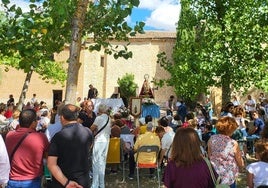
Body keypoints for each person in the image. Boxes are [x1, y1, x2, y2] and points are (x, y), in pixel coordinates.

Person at [47, 104, 93, 188]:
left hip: (62, 182)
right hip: (83, 180)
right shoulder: (88, 132)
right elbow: (88, 149)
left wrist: (66, 183)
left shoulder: (58, 136)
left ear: (62, 117)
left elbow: (51, 164)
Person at [5, 109, 49, 188]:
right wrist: (48, 177)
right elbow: (47, 158)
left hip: (12, 180)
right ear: (33, 123)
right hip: (33, 181)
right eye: (36, 120)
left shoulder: (9, 136)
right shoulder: (41, 137)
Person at [208, 116, 244, 187]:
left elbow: (210, 156)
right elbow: (239, 161)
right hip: (229, 177)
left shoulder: (211, 139)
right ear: (231, 129)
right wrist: (242, 166)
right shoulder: (233, 143)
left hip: (215, 175)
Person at [90, 104, 111, 188]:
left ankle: (95, 184)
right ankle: (101, 184)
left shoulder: (99, 118)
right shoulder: (109, 118)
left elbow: (91, 128)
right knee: (102, 162)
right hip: (106, 140)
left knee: (95, 162)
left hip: (99, 140)